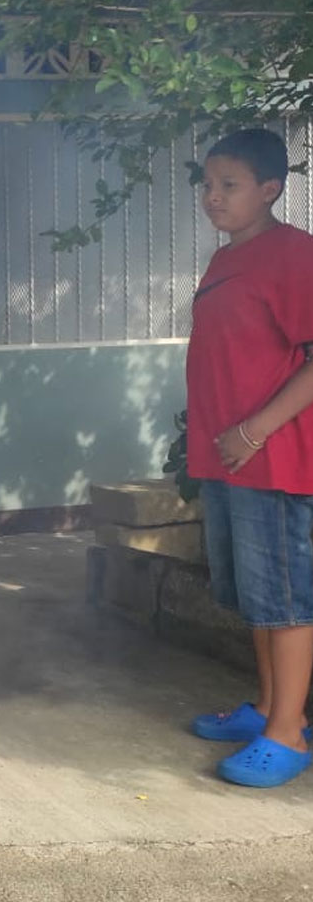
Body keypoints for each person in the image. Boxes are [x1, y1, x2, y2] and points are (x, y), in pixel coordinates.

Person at [185, 127, 313, 788]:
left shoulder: (293, 255)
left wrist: (255, 431)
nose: (212, 197)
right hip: (227, 460)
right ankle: (266, 707)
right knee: (257, 596)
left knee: (286, 598)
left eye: (228, 185)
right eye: (207, 185)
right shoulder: (228, 258)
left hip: (272, 459)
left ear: (270, 189)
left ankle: (289, 734)